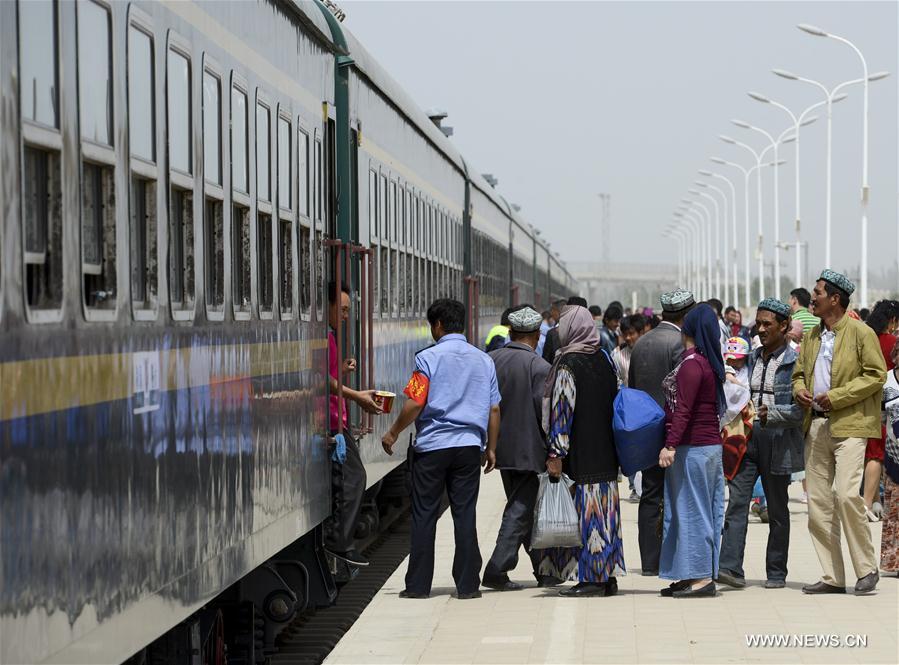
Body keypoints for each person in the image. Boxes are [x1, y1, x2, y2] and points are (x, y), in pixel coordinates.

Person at [381, 299, 501, 599]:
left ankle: (418, 587)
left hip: (433, 447)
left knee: (424, 515)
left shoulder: (427, 359)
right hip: (469, 447)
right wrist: (491, 448)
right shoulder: (483, 360)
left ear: (437, 325)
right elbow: (495, 409)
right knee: (465, 514)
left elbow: (416, 401)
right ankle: (468, 585)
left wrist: (394, 432)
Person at [792, 270, 886, 595]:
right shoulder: (811, 336)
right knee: (818, 503)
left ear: (834, 299)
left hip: (850, 425)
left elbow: (876, 375)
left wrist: (837, 396)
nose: (812, 297)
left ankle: (866, 569)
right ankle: (833, 577)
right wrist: (800, 389)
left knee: (847, 495)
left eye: (817, 292)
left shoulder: (861, 333)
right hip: (815, 426)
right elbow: (798, 374)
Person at [538, 305, 626, 597]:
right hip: (605, 450)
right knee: (605, 514)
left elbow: (562, 413)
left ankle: (591, 578)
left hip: (581, 453)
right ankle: (607, 576)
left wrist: (556, 454)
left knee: (587, 515)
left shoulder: (567, 364)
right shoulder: (603, 358)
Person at [718, 299, 804, 590]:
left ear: (784, 326)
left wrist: (773, 414)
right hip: (747, 440)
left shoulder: (796, 363)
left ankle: (777, 572)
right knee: (738, 503)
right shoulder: (750, 358)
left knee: (778, 510)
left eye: (768, 324)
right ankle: (730, 568)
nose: (762, 328)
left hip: (779, 442)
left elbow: (801, 411)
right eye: (759, 322)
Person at [481, 306, 557, 591]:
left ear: (510, 333)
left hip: (499, 448)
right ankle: (497, 568)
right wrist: (555, 450)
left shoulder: (490, 360)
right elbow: (546, 414)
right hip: (529, 450)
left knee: (522, 508)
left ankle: (544, 571)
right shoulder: (540, 367)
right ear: (537, 336)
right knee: (521, 509)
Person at [657, 304, 725, 598]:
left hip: (693, 448)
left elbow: (683, 410)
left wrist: (670, 444)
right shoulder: (706, 363)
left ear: (687, 327)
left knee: (691, 512)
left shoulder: (692, 364)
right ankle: (690, 573)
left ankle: (699, 577)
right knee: (696, 511)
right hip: (706, 447)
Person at [628, 289, 695, 576]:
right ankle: (673, 558)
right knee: (676, 493)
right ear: (686, 314)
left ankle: (649, 562)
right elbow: (681, 393)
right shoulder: (678, 344)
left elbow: (631, 390)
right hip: (671, 432)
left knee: (650, 495)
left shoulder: (642, 343)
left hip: (645, 431)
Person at [325, 281, 384, 567]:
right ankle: (339, 541)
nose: (346, 316)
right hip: (332, 421)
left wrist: (343, 372)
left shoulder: (329, 337)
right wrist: (359, 397)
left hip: (339, 419)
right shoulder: (323, 337)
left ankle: (341, 540)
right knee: (354, 478)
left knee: (353, 477)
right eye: (344, 310)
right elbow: (321, 380)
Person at [863, 300, 899, 520]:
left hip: (864, 402)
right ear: (893, 320)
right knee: (877, 455)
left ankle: (875, 501)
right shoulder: (892, 342)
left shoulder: (867, 339)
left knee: (870, 455)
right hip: (887, 403)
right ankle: (866, 504)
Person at [879, 338, 899, 575]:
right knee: (893, 511)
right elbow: (881, 416)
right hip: (893, 456)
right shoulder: (887, 380)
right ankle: (893, 562)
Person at [541, 299, 568, 364]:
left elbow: (546, 359)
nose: (551, 313)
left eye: (552, 310)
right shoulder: (578, 330)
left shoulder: (552, 333)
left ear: (558, 311)